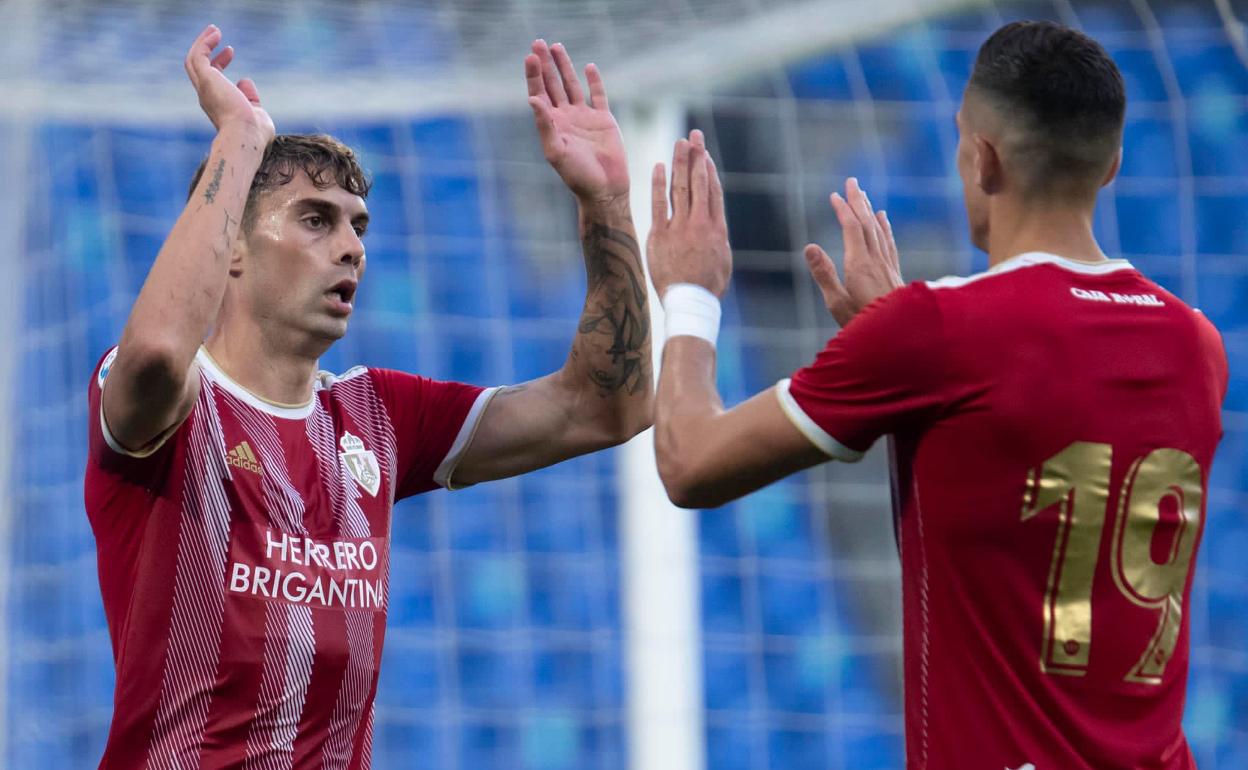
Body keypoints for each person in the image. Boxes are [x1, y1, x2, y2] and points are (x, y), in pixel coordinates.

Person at [647, 21, 1225, 770]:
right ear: (1112, 164)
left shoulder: (941, 330)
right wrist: (898, 364)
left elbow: (689, 461)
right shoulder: (1197, 343)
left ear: (980, 156)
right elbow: (1013, 458)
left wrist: (690, 291)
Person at [84, 25, 650, 768]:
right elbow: (160, 350)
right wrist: (242, 137)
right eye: (314, 219)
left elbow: (607, 407)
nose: (351, 246)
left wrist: (605, 201)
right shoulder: (168, 405)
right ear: (233, 247)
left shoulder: (379, 415)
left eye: (358, 226)